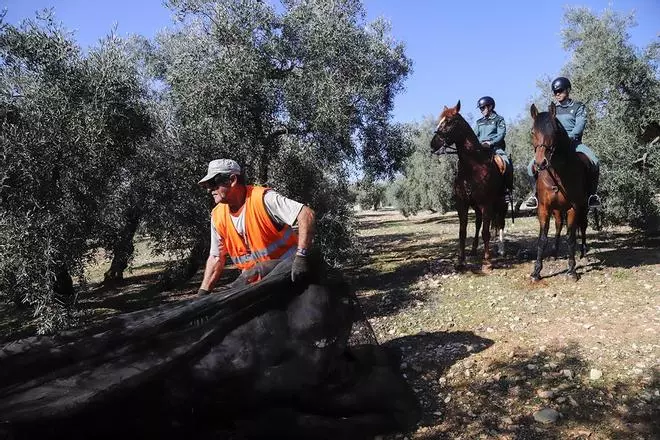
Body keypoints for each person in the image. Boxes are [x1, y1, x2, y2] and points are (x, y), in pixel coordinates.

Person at [196, 159, 316, 294]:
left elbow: (306, 214)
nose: (209, 190)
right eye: (206, 185)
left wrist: (301, 257)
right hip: (255, 286)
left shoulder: (263, 199)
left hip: (291, 276)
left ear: (232, 180)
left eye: (213, 183)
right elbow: (216, 257)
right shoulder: (217, 216)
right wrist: (203, 292)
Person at [524, 77, 601, 208]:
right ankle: (535, 195)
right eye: (555, 92)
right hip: (555, 146)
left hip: (574, 143)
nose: (557, 94)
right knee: (530, 167)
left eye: (560, 90)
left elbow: (580, 124)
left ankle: (591, 195)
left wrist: (570, 137)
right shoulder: (552, 110)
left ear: (568, 90)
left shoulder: (578, 107)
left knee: (595, 161)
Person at [473, 96, 513, 196]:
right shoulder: (479, 122)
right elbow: (474, 136)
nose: (481, 111)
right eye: (480, 109)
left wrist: (490, 143)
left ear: (490, 107)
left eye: (483, 108)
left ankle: (507, 190)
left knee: (506, 163)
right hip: (480, 150)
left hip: (495, 149)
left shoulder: (499, 119)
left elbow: (501, 134)